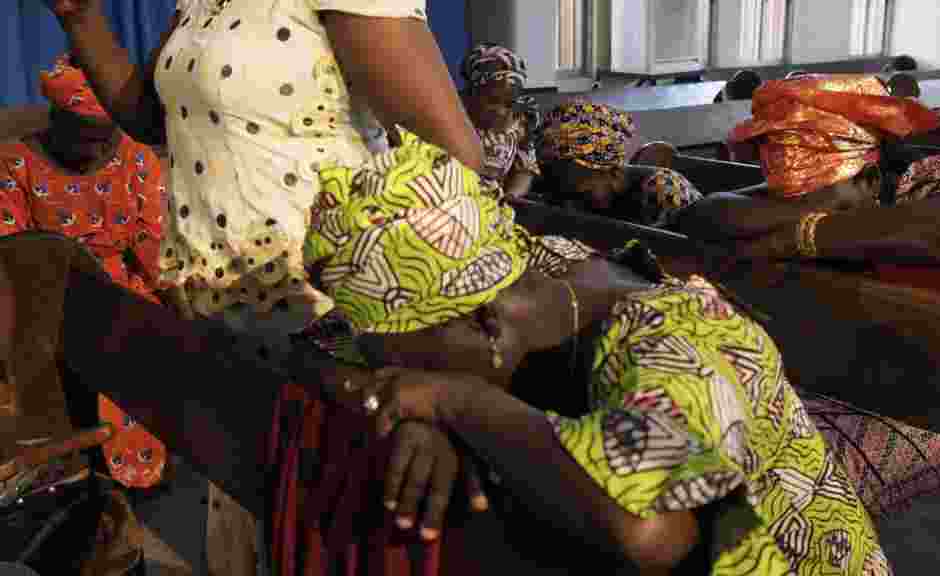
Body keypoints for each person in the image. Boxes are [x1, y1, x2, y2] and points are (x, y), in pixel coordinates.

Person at [301, 130, 893, 574]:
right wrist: (417, 414)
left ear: (485, 321)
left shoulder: (674, 337)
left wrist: (456, 403)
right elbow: (323, 347)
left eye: (409, 364)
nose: (398, 375)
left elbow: (650, 531)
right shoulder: (527, 270)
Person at [40, 0, 487, 573]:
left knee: (322, 543)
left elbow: (456, 166)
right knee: (242, 540)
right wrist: (82, 19)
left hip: (334, 334)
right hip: (226, 325)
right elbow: (157, 116)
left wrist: (445, 376)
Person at [675, 74, 940, 515]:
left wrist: (796, 235)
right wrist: (801, 210)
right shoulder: (813, 196)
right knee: (706, 432)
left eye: (816, 196)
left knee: (806, 476)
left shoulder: (937, 176)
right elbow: (704, 214)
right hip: (849, 378)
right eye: (785, 200)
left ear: (871, 180)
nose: (794, 208)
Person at [0, 54, 168, 493]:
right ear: (57, 120)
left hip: (123, 288)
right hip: (44, 293)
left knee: (139, 330)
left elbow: (157, 250)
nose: (97, 150)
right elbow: (12, 256)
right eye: (85, 137)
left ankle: (135, 471)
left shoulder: (136, 158)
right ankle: (59, 473)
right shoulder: (12, 164)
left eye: (106, 138)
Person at [537, 100, 703, 227]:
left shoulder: (663, 190)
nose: (575, 206)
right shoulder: (575, 188)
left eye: (585, 195)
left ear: (614, 173)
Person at [459, 43, 541, 199]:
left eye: (509, 103)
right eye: (493, 101)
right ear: (471, 93)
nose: (502, 111)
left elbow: (526, 169)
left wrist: (511, 196)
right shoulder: (453, 119)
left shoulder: (519, 124)